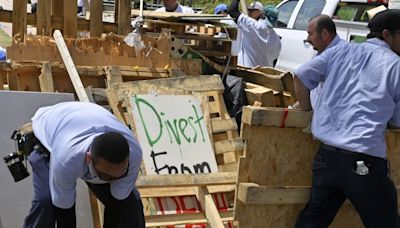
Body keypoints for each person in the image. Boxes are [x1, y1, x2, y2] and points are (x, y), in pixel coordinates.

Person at [293, 9, 400, 227]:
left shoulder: (340, 52)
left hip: (327, 158)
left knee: (312, 221)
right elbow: (397, 122)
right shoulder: (395, 65)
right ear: (387, 35)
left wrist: (307, 112)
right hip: (363, 162)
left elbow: (301, 76)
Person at [23, 102, 145, 228]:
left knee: (131, 205)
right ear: (89, 159)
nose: (114, 181)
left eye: (120, 175)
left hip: (84, 121)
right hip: (49, 130)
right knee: (46, 201)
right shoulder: (67, 159)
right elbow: (64, 212)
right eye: (107, 177)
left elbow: (116, 205)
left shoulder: (134, 154)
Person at [292, 14, 346, 109]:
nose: (307, 39)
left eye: (310, 34)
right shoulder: (323, 51)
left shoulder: (338, 53)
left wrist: (307, 113)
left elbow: (300, 75)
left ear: (325, 34)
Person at [228, 0, 281, 67]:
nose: (250, 13)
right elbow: (274, 60)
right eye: (249, 11)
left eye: (252, 11)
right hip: (263, 75)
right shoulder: (277, 40)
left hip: (246, 72)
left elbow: (232, 11)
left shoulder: (253, 26)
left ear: (262, 14)